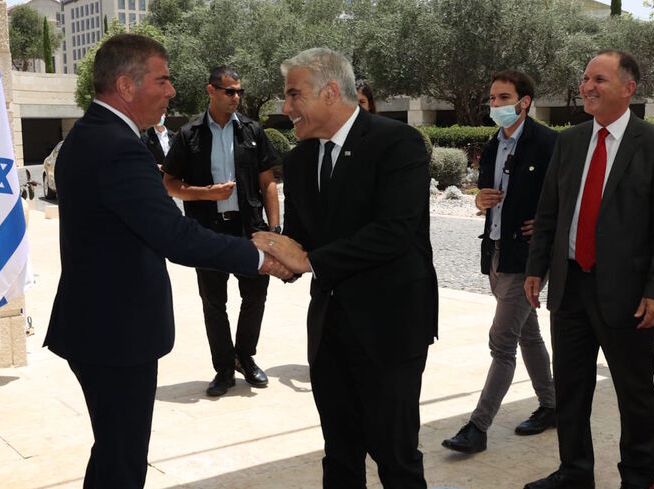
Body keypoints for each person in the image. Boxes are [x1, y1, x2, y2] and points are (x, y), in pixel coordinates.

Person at [43, 34, 286, 489]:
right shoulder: (118, 145)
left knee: (114, 451)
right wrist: (261, 255)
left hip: (97, 327)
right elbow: (174, 236)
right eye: (163, 79)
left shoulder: (93, 133)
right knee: (122, 461)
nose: (172, 90)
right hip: (115, 335)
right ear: (127, 85)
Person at [251, 48, 439, 488]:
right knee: (339, 455)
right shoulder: (298, 161)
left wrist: (310, 260)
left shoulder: (398, 143)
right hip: (331, 329)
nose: (285, 107)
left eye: (293, 94)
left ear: (331, 92)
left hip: (390, 329)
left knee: (395, 456)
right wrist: (278, 258)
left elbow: (395, 231)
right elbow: (305, 240)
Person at [523, 50, 654, 489]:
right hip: (571, 286)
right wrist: (536, 267)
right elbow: (550, 212)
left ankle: (637, 476)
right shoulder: (570, 141)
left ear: (629, 89)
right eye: (585, 78)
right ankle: (574, 472)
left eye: (600, 79)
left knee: (634, 393)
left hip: (630, 295)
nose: (588, 86)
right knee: (572, 389)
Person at [442, 70, 557, 454]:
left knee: (502, 342)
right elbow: (485, 194)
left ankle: (478, 426)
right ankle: (552, 405)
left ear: (524, 102)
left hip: (526, 260)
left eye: (503, 98)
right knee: (528, 333)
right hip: (494, 253)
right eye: (492, 99)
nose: (495, 105)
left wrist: (545, 222)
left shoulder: (548, 143)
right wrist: (478, 202)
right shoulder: (493, 144)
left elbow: (566, 197)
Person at [163, 66, 281, 396]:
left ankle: (245, 356)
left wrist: (275, 230)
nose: (236, 98)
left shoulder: (252, 131)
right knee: (214, 303)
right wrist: (205, 193)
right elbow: (170, 184)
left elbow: (268, 183)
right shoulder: (189, 135)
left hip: (249, 232)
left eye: (239, 92)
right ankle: (224, 368)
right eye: (230, 91)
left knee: (255, 296)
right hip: (207, 234)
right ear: (211, 91)